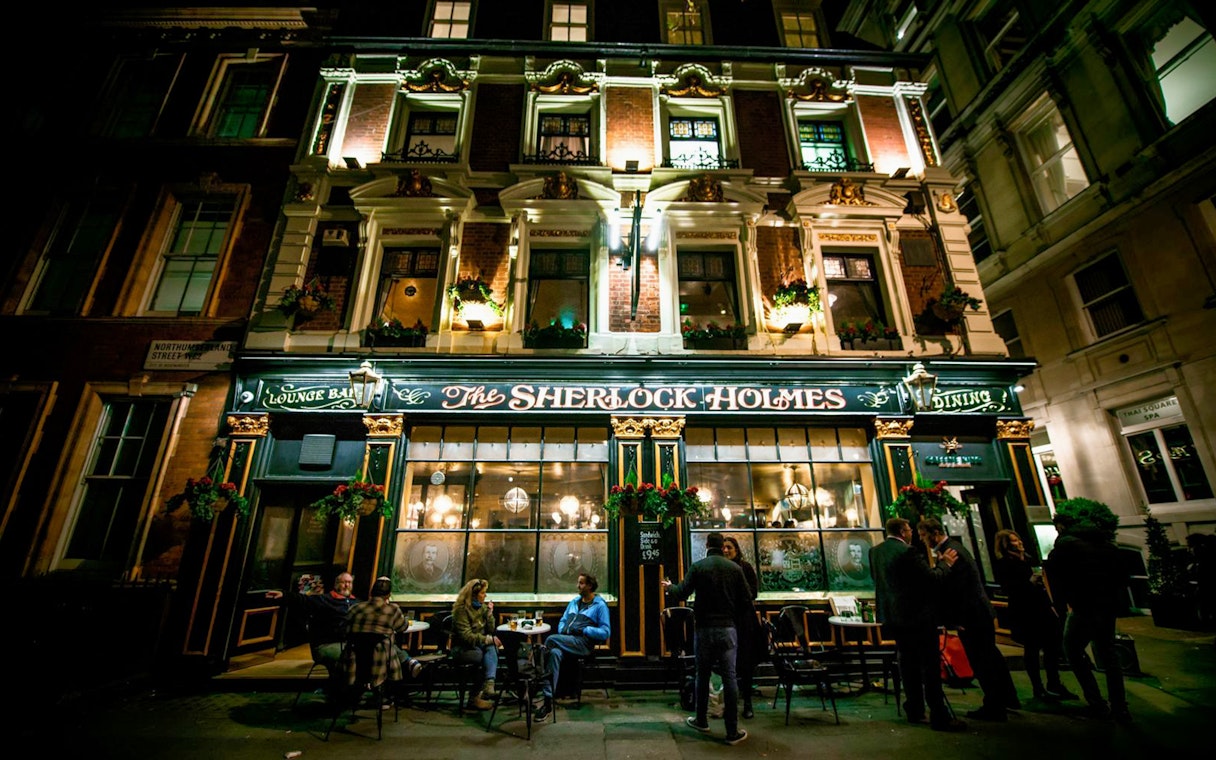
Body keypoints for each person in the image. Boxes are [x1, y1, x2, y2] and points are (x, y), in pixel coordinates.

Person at [870, 517, 966, 731]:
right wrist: (945, 564)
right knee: (929, 666)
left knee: (908, 664)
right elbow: (931, 580)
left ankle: (914, 709)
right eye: (910, 530)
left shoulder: (875, 552)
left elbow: (880, 581)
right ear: (903, 531)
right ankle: (939, 715)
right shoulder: (909, 552)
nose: (912, 534)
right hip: (918, 618)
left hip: (894, 618)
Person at [919, 517, 1019, 721]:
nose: (922, 540)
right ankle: (1006, 698)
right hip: (977, 612)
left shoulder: (951, 552)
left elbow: (958, 589)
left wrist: (957, 618)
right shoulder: (952, 548)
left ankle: (994, 705)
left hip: (972, 616)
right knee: (990, 656)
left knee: (982, 659)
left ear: (934, 534)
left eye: (923, 535)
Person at [662, 532, 752, 746]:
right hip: (727, 628)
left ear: (706, 545)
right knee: (730, 677)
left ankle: (701, 720)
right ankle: (732, 731)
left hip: (703, 629)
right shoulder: (735, 569)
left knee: (702, 675)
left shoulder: (699, 567)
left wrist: (669, 587)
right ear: (722, 546)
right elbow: (747, 599)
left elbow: (681, 593)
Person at [1046, 512, 1132, 723]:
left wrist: (1061, 606)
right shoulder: (1105, 544)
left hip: (1083, 607)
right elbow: (1123, 575)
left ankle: (1096, 703)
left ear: (1061, 526)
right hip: (1107, 606)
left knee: (1073, 650)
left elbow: (1057, 580)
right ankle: (1120, 707)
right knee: (1109, 654)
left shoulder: (1064, 547)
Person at [993, 529, 1078, 701]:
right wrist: (1028, 583)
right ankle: (1038, 687)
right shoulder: (1006, 564)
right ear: (1006, 545)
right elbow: (1010, 588)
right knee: (1032, 648)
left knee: (1051, 646)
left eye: (1018, 539)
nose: (1019, 543)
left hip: (1041, 607)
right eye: (1014, 541)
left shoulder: (1027, 559)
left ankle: (1054, 683)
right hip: (1025, 610)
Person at [535, 572, 611, 720]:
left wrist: (585, 630)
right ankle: (547, 701)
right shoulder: (574, 602)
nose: (578, 586)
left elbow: (605, 632)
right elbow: (563, 621)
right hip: (567, 641)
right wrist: (563, 629)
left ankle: (536, 676)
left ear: (589, 586)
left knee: (550, 640)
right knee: (554, 654)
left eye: (581, 583)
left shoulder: (599, 606)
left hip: (583, 644)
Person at [267, 571, 360, 684]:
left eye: (349, 582)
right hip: (327, 644)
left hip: (347, 643)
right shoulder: (324, 600)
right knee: (350, 655)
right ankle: (342, 687)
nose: (347, 585)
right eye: (344, 582)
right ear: (336, 584)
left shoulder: (357, 603)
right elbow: (303, 600)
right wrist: (284, 595)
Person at [342, 576, 424, 692]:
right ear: (388, 595)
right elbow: (402, 627)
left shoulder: (355, 608)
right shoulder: (392, 609)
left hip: (353, 655)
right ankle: (388, 691)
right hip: (380, 658)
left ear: (371, 592)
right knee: (389, 644)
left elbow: (345, 628)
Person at [721, 536, 762, 720]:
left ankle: (747, 703)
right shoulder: (722, 569)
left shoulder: (745, 567)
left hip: (744, 621)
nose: (726, 550)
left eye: (729, 547)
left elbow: (753, 592)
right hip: (728, 619)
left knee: (745, 661)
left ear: (736, 549)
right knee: (728, 662)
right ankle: (729, 703)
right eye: (723, 547)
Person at [451, 578, 502, 711]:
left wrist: (489, 614)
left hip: (479, 646)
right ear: (473, 595)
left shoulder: (482, 607)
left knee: (490, 649)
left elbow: (491, 630)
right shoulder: (462, 610)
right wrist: (487, 640)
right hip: (462, 648)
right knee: (479, 655)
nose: (485, 596)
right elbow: (466, 636)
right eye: (483, 593)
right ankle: (474, 697)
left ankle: (489, 685)